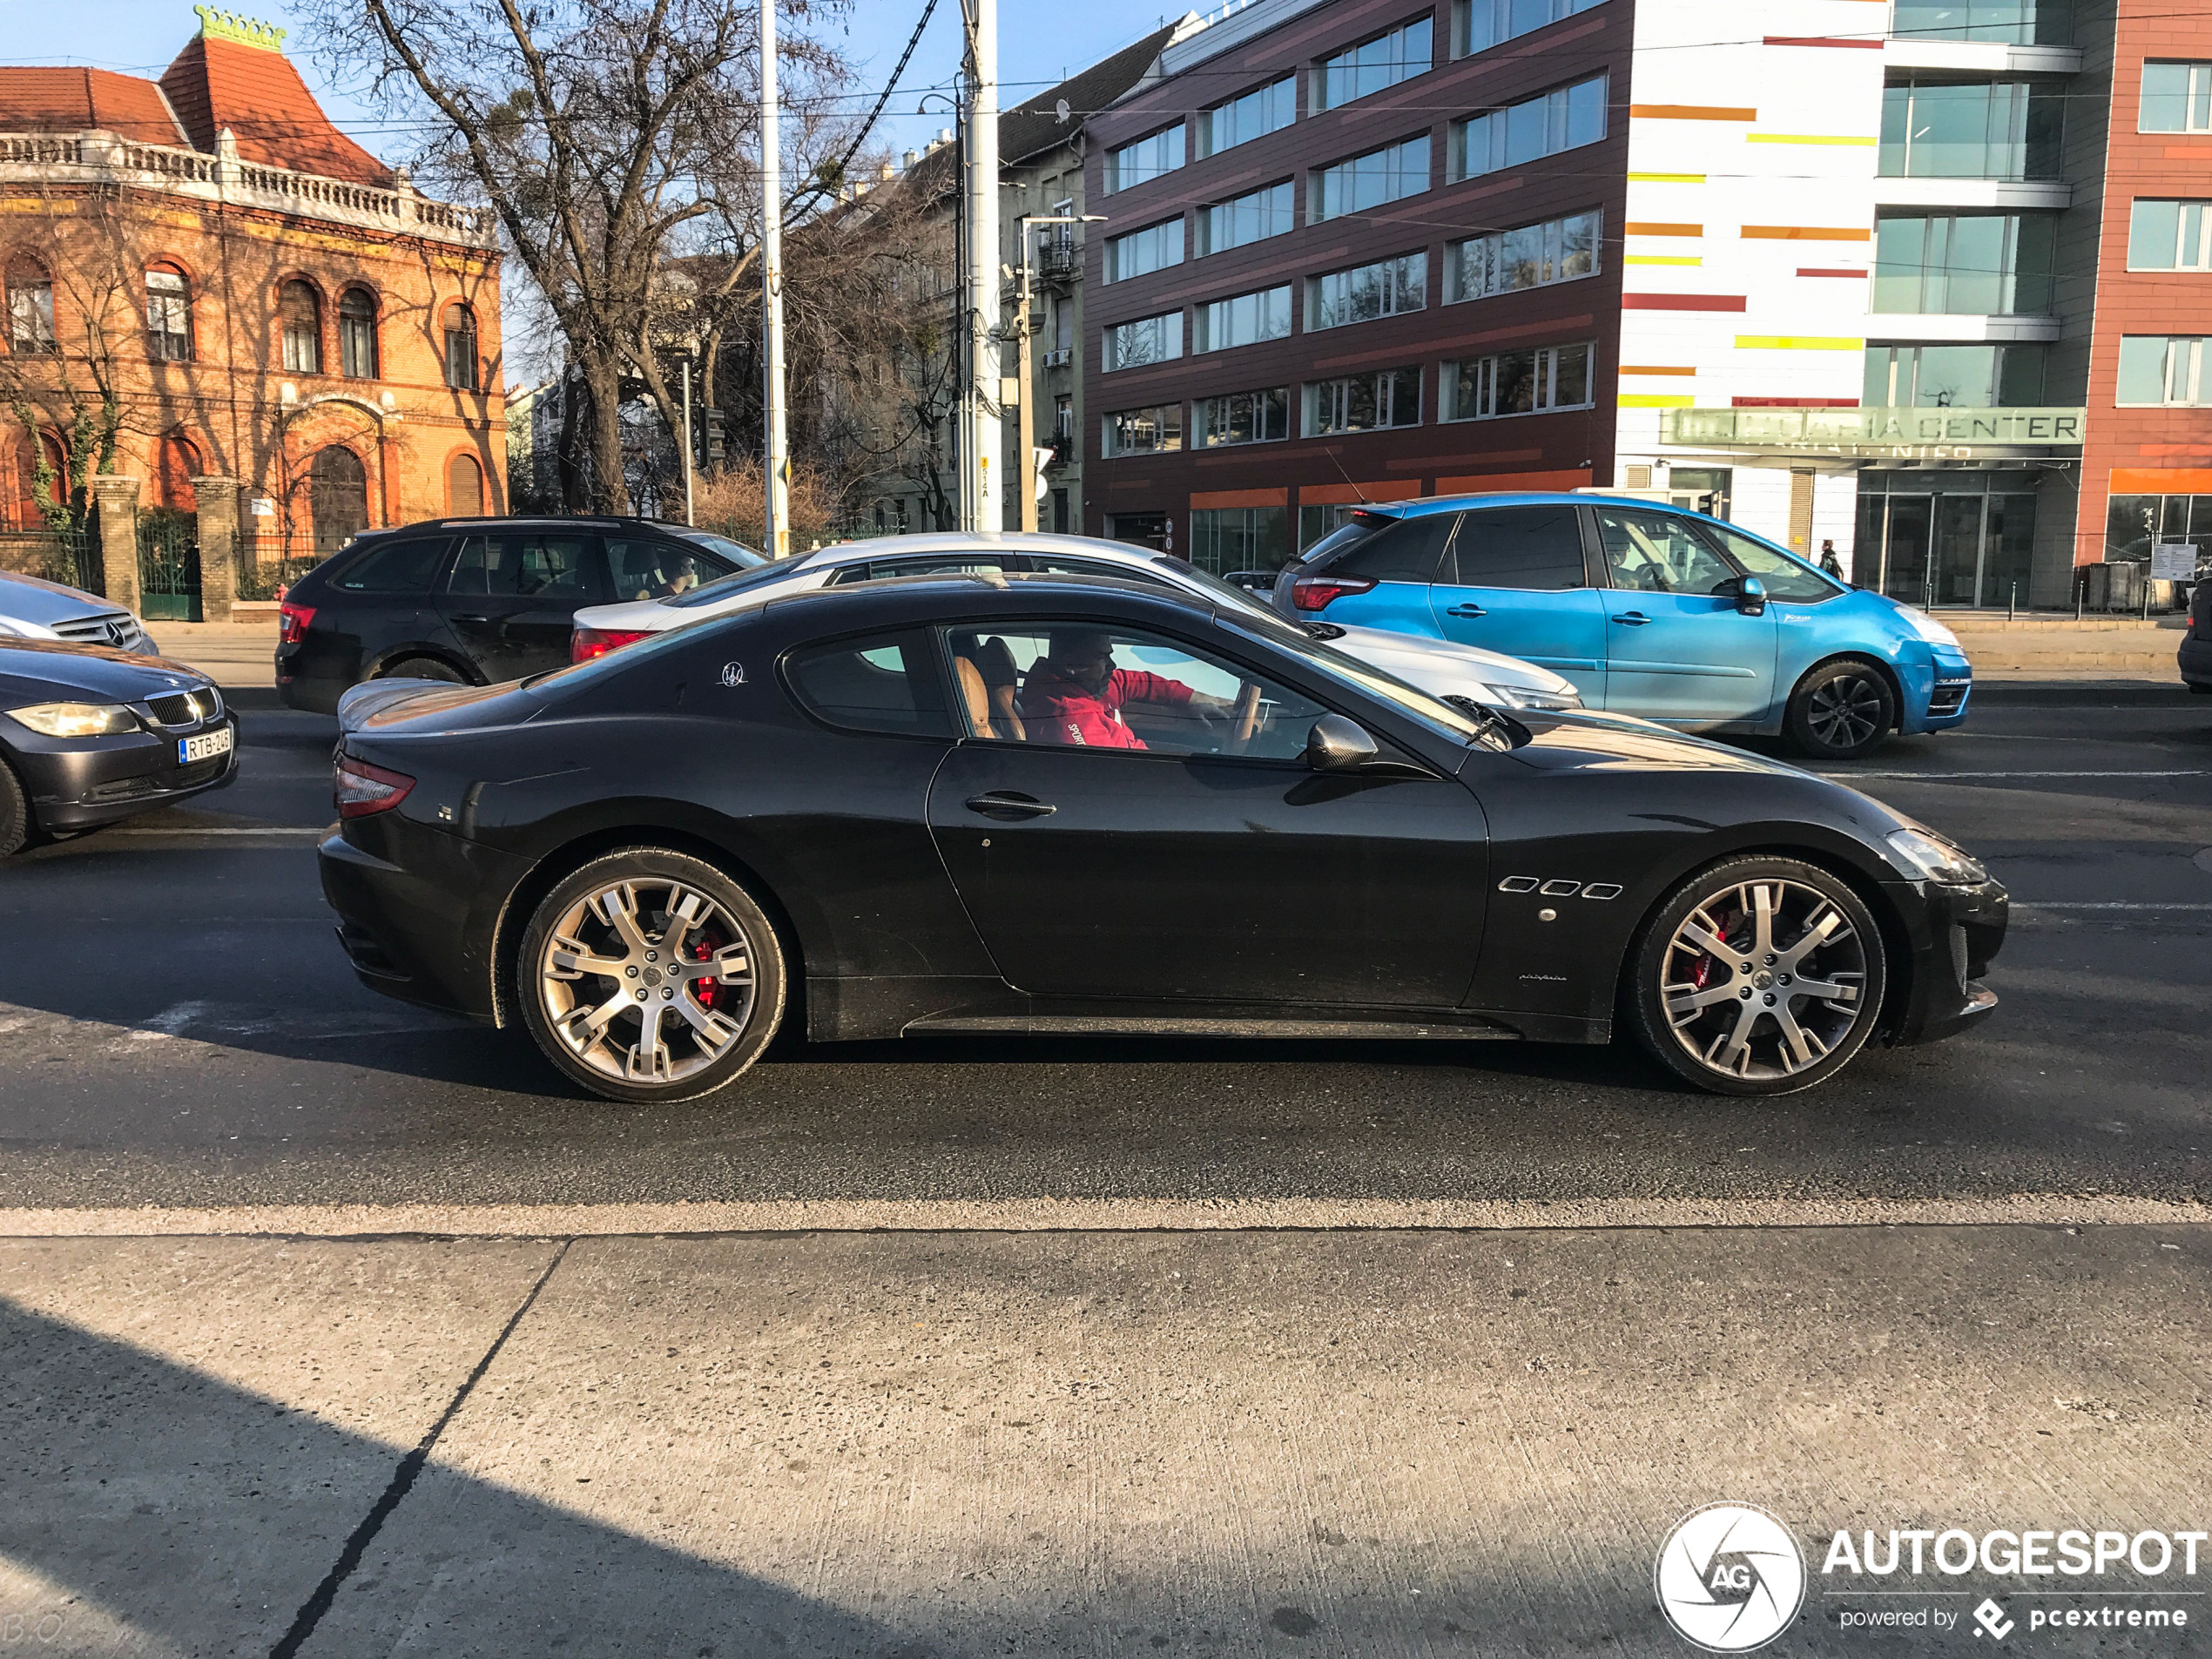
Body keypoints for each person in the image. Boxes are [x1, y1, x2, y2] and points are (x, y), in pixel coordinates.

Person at [1020, 629, 1231, 750]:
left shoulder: (1081, 687)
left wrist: (1189, 697)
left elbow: (1127, 682)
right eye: (1103, 657)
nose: (1113, 665)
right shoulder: (1071, 719)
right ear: (1072, 666)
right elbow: (1123, 774)